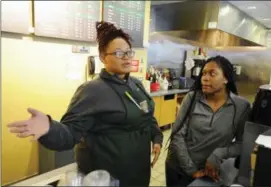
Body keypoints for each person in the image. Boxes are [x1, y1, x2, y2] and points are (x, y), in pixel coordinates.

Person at [7, 21, 163, 187]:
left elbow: (146, 114)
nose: (126, 57)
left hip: (139, 171)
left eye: (129, 52)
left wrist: (157, 137)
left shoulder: (136, 84)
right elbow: (69, 134)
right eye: (118, 53)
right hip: (108, 177)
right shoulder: (92, 91)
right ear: (103, 57)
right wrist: (49, 128)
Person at [165, 56, 251, 187]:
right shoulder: (192, 98)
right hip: (179, 169)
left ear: (226, 78)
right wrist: (192, 170)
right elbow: (177, 135)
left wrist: (219, 153)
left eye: (212, 73)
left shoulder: (241, 107)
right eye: (204, 73)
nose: (205, 78)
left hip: (210, 171)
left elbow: (241, 144)